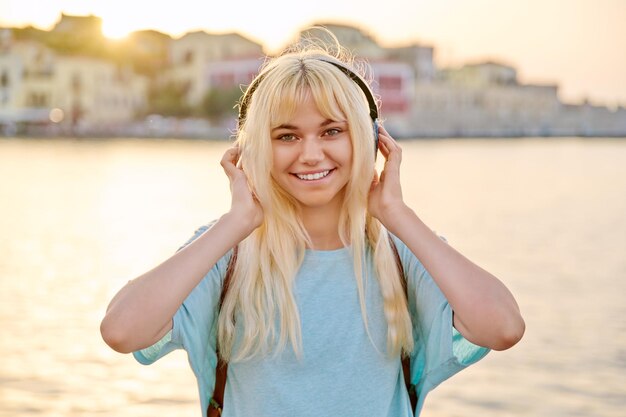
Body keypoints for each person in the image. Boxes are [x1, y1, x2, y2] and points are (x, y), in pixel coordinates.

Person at [100, 35, 525, 417]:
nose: (310, 154)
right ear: (256, 147)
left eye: (331, 131)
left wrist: (397, 214)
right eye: (286, 136)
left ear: (368, 137)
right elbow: (122, 331)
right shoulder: (228, 251)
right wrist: (235, 222)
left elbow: (503, 327)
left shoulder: (400, 251)